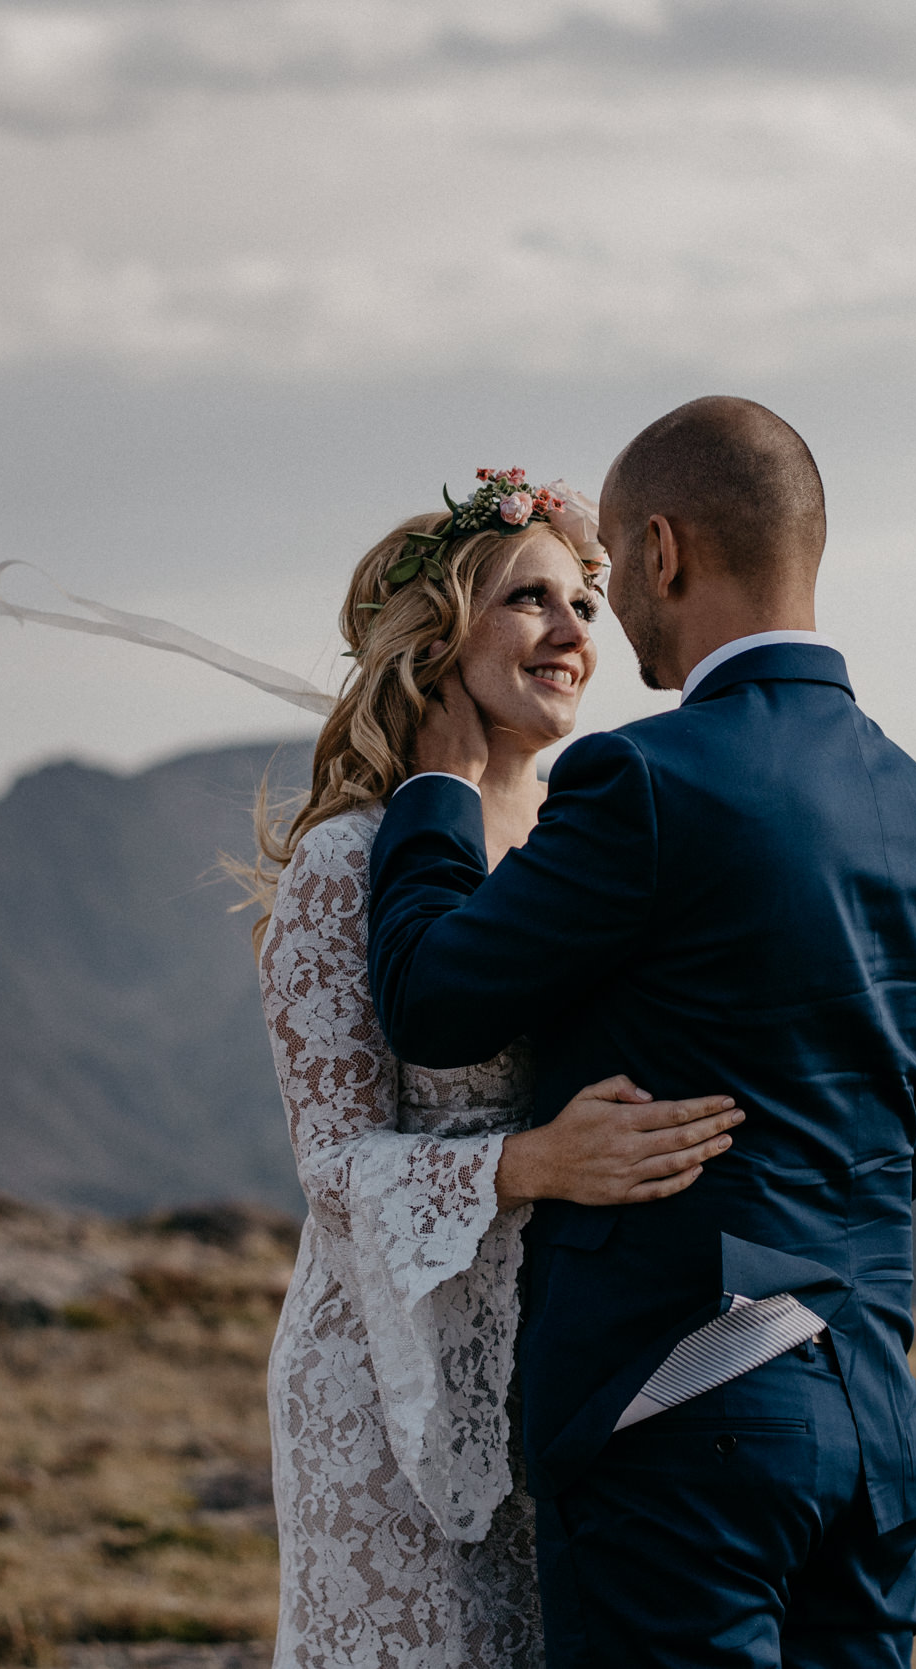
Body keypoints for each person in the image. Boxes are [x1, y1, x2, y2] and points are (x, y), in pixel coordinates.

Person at [368, 401, 916, 1668]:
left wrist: (433, 785)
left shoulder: (649, 779)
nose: (599, 621)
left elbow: (431, 999)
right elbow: (901, 1139)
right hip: (871, 1414)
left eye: (607, 584)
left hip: (681, 1403)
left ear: (661, 550)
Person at [236, 473, 748, 1669]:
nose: (573, 632)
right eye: (530, 600)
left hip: (566, 1360)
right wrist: (536, 1162)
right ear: (438, 636)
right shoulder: (346, 862)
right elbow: (335, 1166)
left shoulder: (592, 838)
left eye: (585, 600)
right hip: (385, 1377)